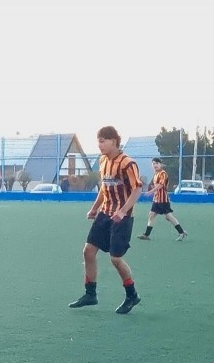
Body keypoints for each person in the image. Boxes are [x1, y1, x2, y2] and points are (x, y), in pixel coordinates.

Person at [69, 126, 143, 314]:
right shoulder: (103, 161)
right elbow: (104, 189)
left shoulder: (127, 163)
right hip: (105, 213)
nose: (100, 145)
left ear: (114, 141)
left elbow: (137, 190)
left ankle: (132, 294)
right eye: (98, 141)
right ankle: (90, 294)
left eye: (103, 141)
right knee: (88, 251)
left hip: (122, 217)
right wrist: (94, 208)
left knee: (116, 259)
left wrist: (123, 211)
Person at [137, 158, 188, 241]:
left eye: (156, 163)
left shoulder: (163, 174)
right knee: (152, 215)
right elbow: (157, 186)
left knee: (169, 216)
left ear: (161, 164)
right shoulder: (156, 174)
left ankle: (181, 233)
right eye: (153, 163)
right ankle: (146, 235)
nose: (155, 165)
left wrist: (150, 191)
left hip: (163, 200)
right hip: (157, 199)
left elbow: (160, 185)